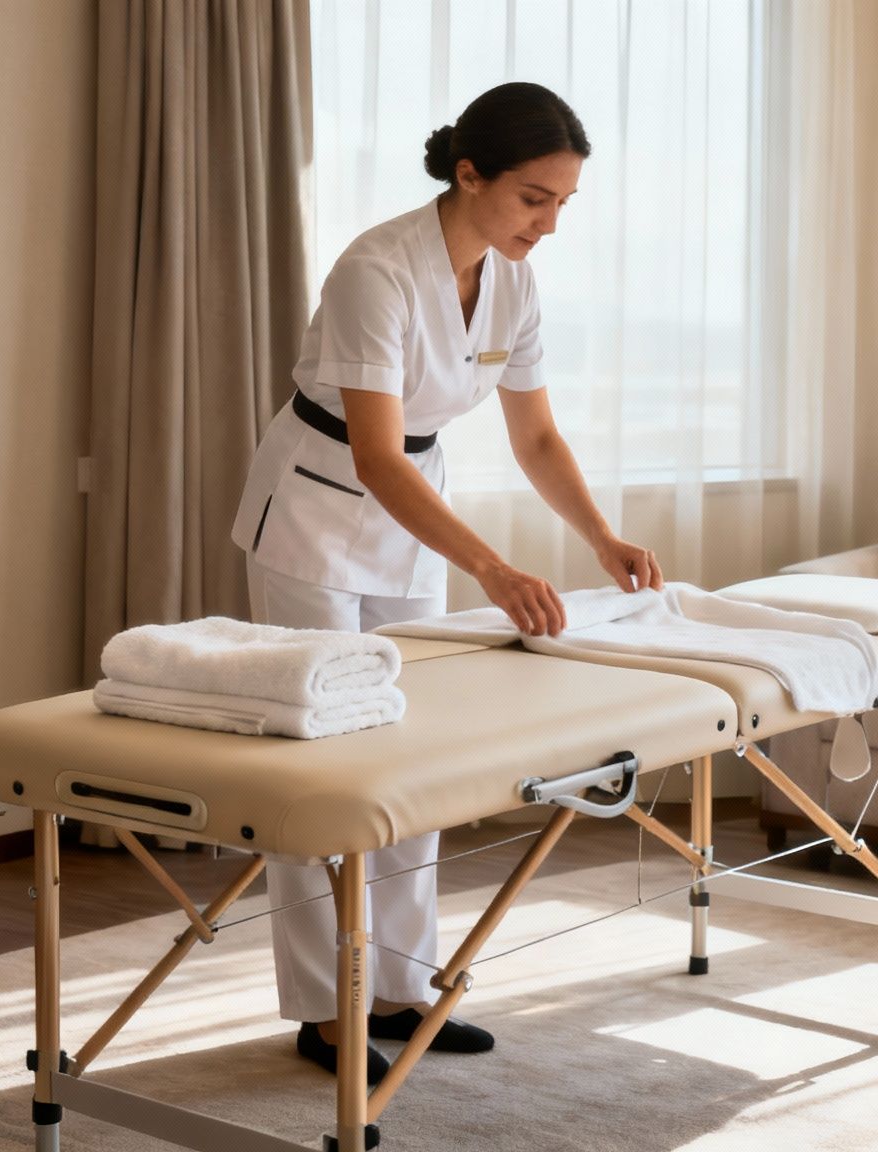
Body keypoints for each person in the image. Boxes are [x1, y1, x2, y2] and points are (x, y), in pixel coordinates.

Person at [230, 81, 665, 1082]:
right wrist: (491, 567)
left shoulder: (511, 282)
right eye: (531, 198)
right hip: (314, 509)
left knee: (406, 760)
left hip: (409, 511)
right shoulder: (374, 273)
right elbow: (374, 457)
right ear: (467, 174)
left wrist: (598, 536)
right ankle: (322, 1011)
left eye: (561, 203)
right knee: (317, 767)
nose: (547, 223)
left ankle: (397, 989)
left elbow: (536, 432)